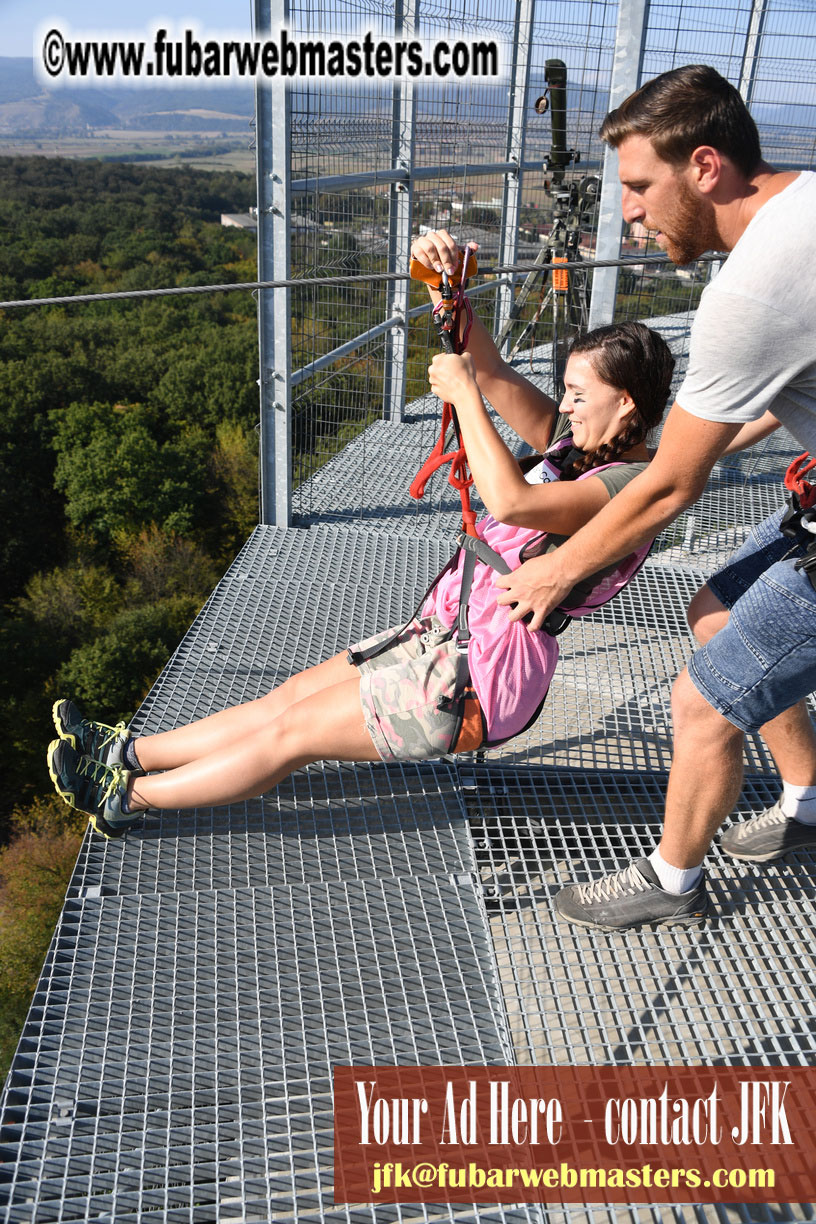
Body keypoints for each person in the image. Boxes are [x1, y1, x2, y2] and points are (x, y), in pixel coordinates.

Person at [46, 281, 675, 839]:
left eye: (576, 394)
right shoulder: (579, 449)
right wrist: (448, 295)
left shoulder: (626, 489)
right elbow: (493, 372)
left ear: (624, 403)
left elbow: (509, 501)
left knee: (291, 737)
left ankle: (125, 798)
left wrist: (465, 397)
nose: (562, 406)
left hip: (478, 679)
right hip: (449, 633)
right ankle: (131, 752)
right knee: (287, 700)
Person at [492, 64, 816, 931]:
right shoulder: (804, 211)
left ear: (705, 167)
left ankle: (672, 884)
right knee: (718, 611)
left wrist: (556, 574)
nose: (628, 210)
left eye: (639, 185)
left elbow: (671, 482)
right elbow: (738, 418)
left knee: (700, 702)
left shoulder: (751, 290)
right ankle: (810, 803)